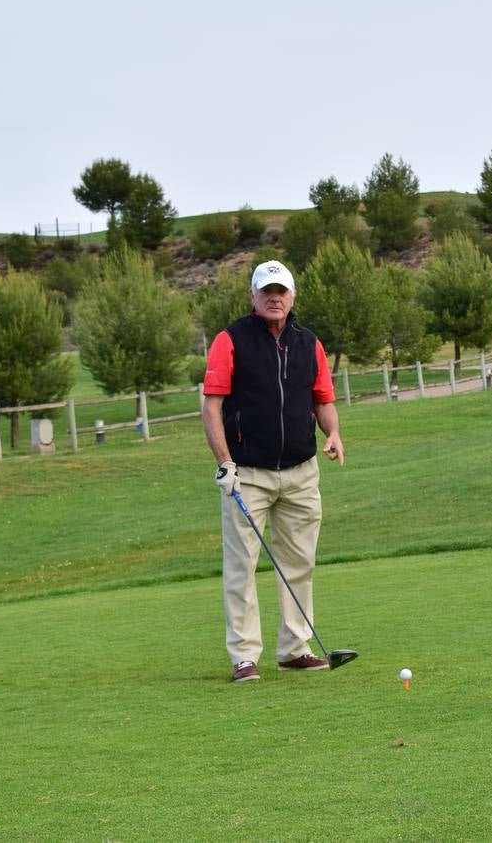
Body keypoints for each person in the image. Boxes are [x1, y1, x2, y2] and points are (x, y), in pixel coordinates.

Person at [200, 260, 345, 683]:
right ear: (253, 296)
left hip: (301, 471)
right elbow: (212, 407)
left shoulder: (309, 343)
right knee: (242, 565)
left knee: (299, 563)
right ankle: (244, 656)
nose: (274, 297)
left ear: (292, 296)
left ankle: (294, 649)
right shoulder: (230, 340)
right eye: (267, 290)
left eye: (281, 290)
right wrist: (224, 463)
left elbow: (323, 400)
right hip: (247, 473)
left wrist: (333, 433)